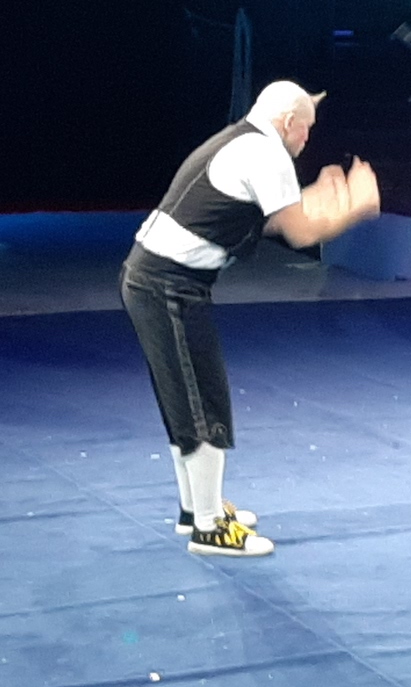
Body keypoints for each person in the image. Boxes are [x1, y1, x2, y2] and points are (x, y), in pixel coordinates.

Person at [120, 81, 380, 556]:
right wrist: (355, 208)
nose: (307, 139)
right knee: (202, 400)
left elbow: (274, 217)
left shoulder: (244, 140)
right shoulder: (266, 153)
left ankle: (196, 510)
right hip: (167, 284)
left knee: (186, 398)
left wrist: (319, 198)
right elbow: (300, 234)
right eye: (306, 129)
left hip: (157, 279)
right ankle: (208, 528)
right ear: (288, 122)